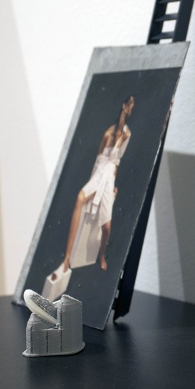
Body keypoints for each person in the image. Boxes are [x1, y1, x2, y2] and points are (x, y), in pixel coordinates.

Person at [57, 96, 134, 277]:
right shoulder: (107, 134)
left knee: (106, 227)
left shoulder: (127, 135)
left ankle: (101, 254)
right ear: (123, 106)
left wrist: (112, 185)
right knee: (79, 198)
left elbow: (117, 162)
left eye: (132, 107)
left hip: (109, 177)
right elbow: (98, 161)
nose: (130, 109)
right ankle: (66, 258)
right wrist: (94, 185)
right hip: (99, 173)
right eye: (129, 105)